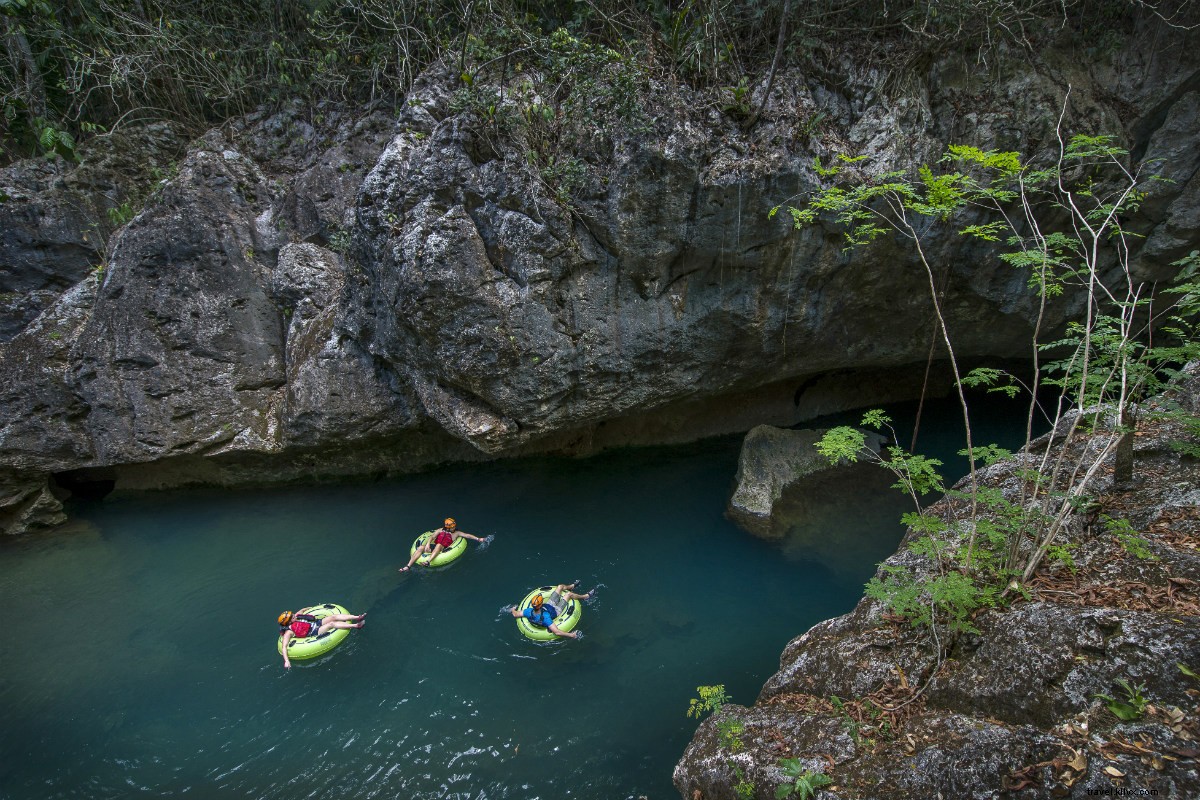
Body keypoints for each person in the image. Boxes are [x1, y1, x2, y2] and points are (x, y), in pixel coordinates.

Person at [277, 607, 366, 670]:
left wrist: (311, 608)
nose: (294, 616)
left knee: (333, 617)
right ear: (288, 622)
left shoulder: (297, 616)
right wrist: (286, 661)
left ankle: (357, 617)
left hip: (317, 622)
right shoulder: (289, 632)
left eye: (293, 614)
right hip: (315, 631)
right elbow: (284, 646)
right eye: (292, 617)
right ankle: (356, 625)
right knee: (331, 624)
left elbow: (303, 609)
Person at [398, 517, 486, 572]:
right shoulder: (440, 530)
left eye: (454, 526)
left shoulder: (457, 533)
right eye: (452, 527)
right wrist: (428, 544)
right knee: (421, 547)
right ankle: (408, 566)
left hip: (443, 549)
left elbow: (467, 535)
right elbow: (432, 537)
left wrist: (478, 539)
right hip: (434, 547)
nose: (454, 528)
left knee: (439, 545)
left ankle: (428, 562)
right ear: (447, 527)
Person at [510, 583, 593, 639]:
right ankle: (585, 596)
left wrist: (513, 608)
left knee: (560, 586)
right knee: (569, 595)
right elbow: (557, 632)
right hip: (556, 610)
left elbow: (515, 614)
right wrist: (572, 635)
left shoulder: (528, 611)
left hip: (549, 605)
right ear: (541, 604)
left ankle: (571, 586)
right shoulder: (546, 617)